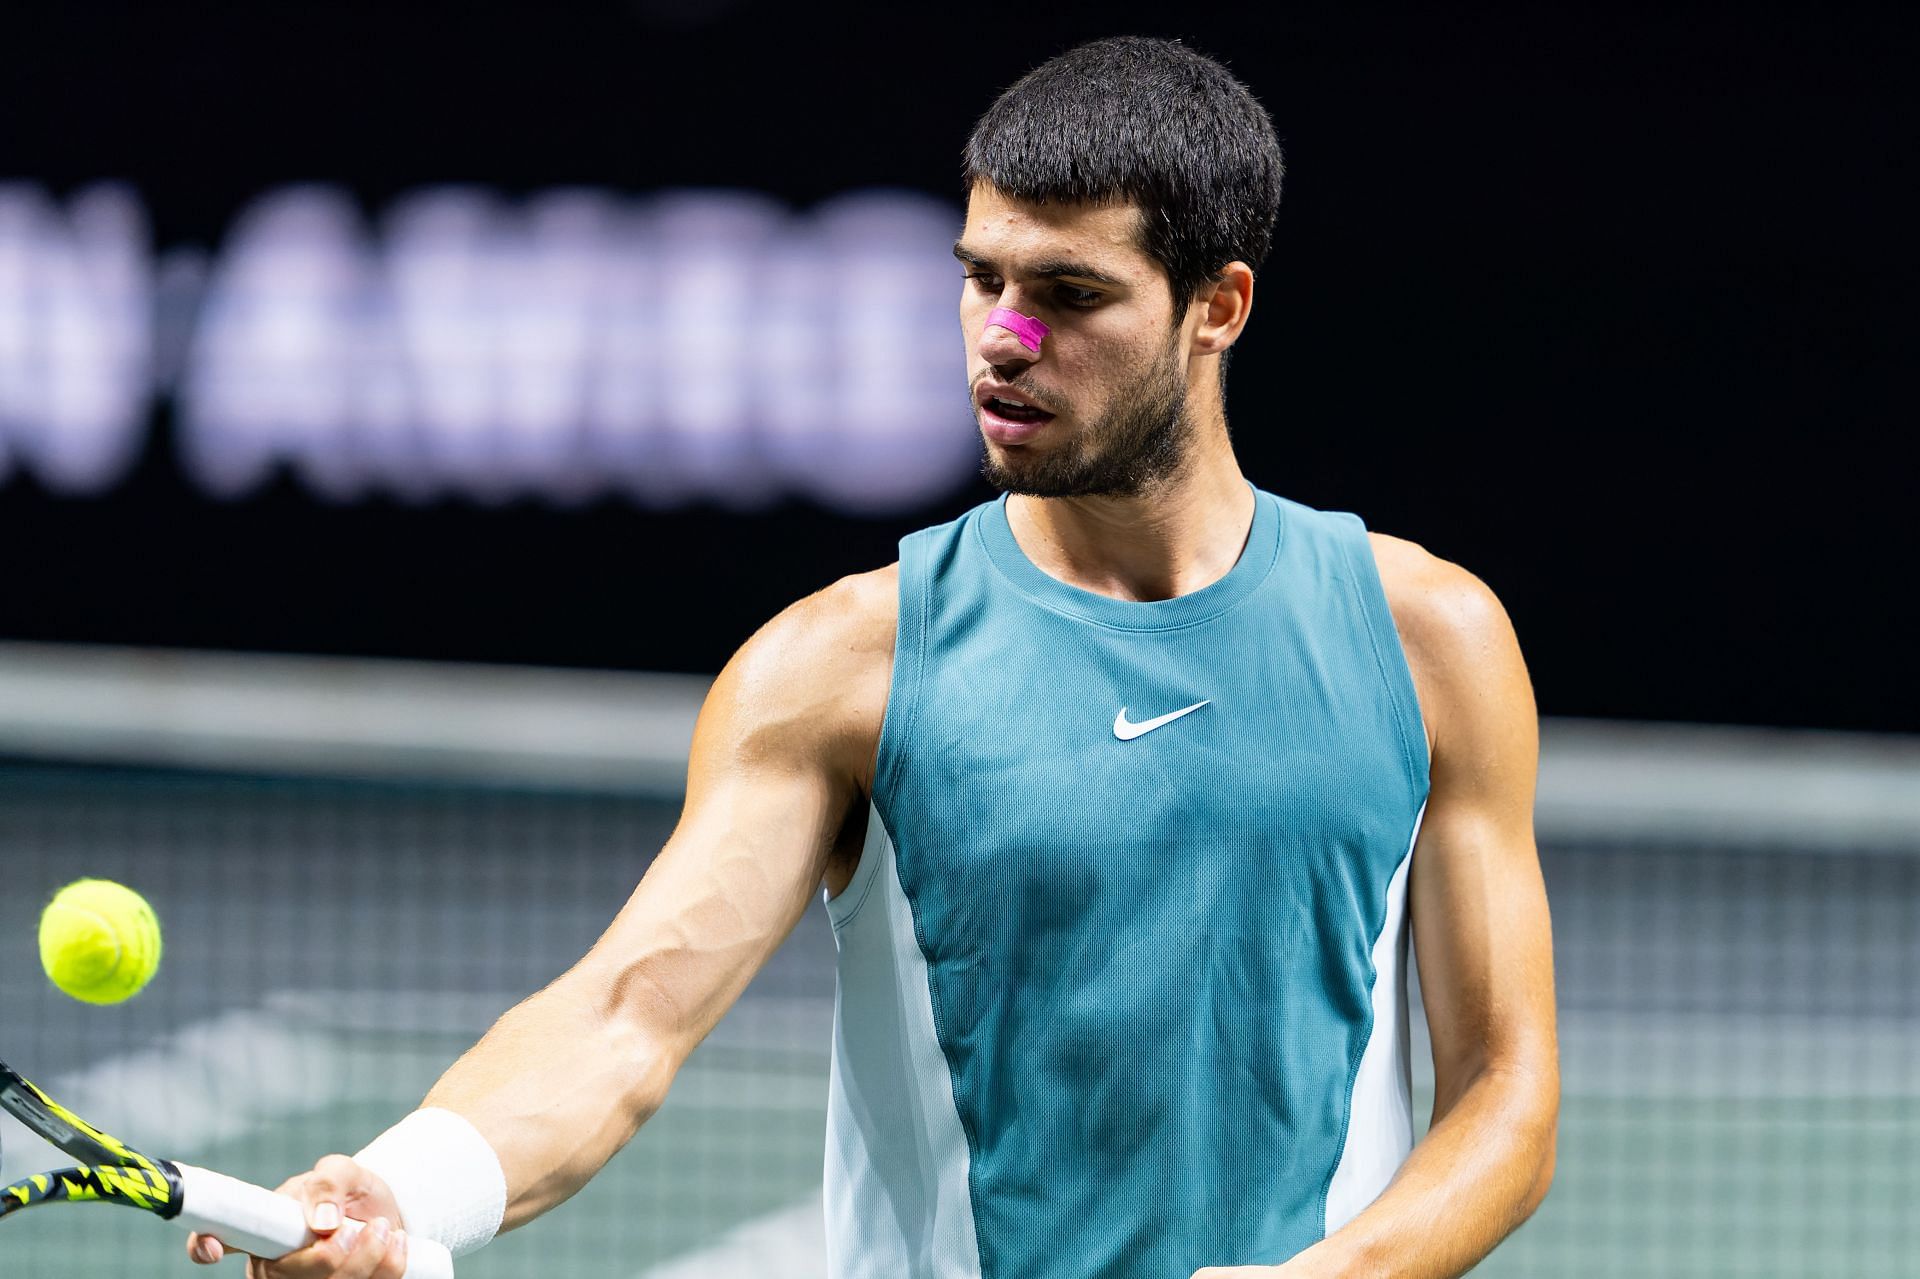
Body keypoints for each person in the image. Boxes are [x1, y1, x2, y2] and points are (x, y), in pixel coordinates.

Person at [191, 35, 1557, 1279]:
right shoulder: (843, 666)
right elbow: (626, 1013)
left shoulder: (1428, 639)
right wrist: (405, 1189)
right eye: (982, 279)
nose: (1004, 340)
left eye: (1070, 294)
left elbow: (1506, 1090)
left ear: (1219, 307)